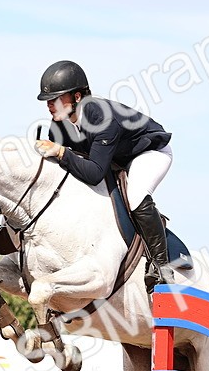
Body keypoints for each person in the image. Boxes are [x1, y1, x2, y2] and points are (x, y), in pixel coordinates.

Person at [33, 59, 177, 291]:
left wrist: (61, 152)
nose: (50, 105)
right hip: (114, 156)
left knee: (136, 194)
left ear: (77, 97)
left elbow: (95, 174)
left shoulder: (102, 119)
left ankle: (162, 267)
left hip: (148, 153)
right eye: (48, 101)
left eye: (57, 99)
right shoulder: (58, 124)